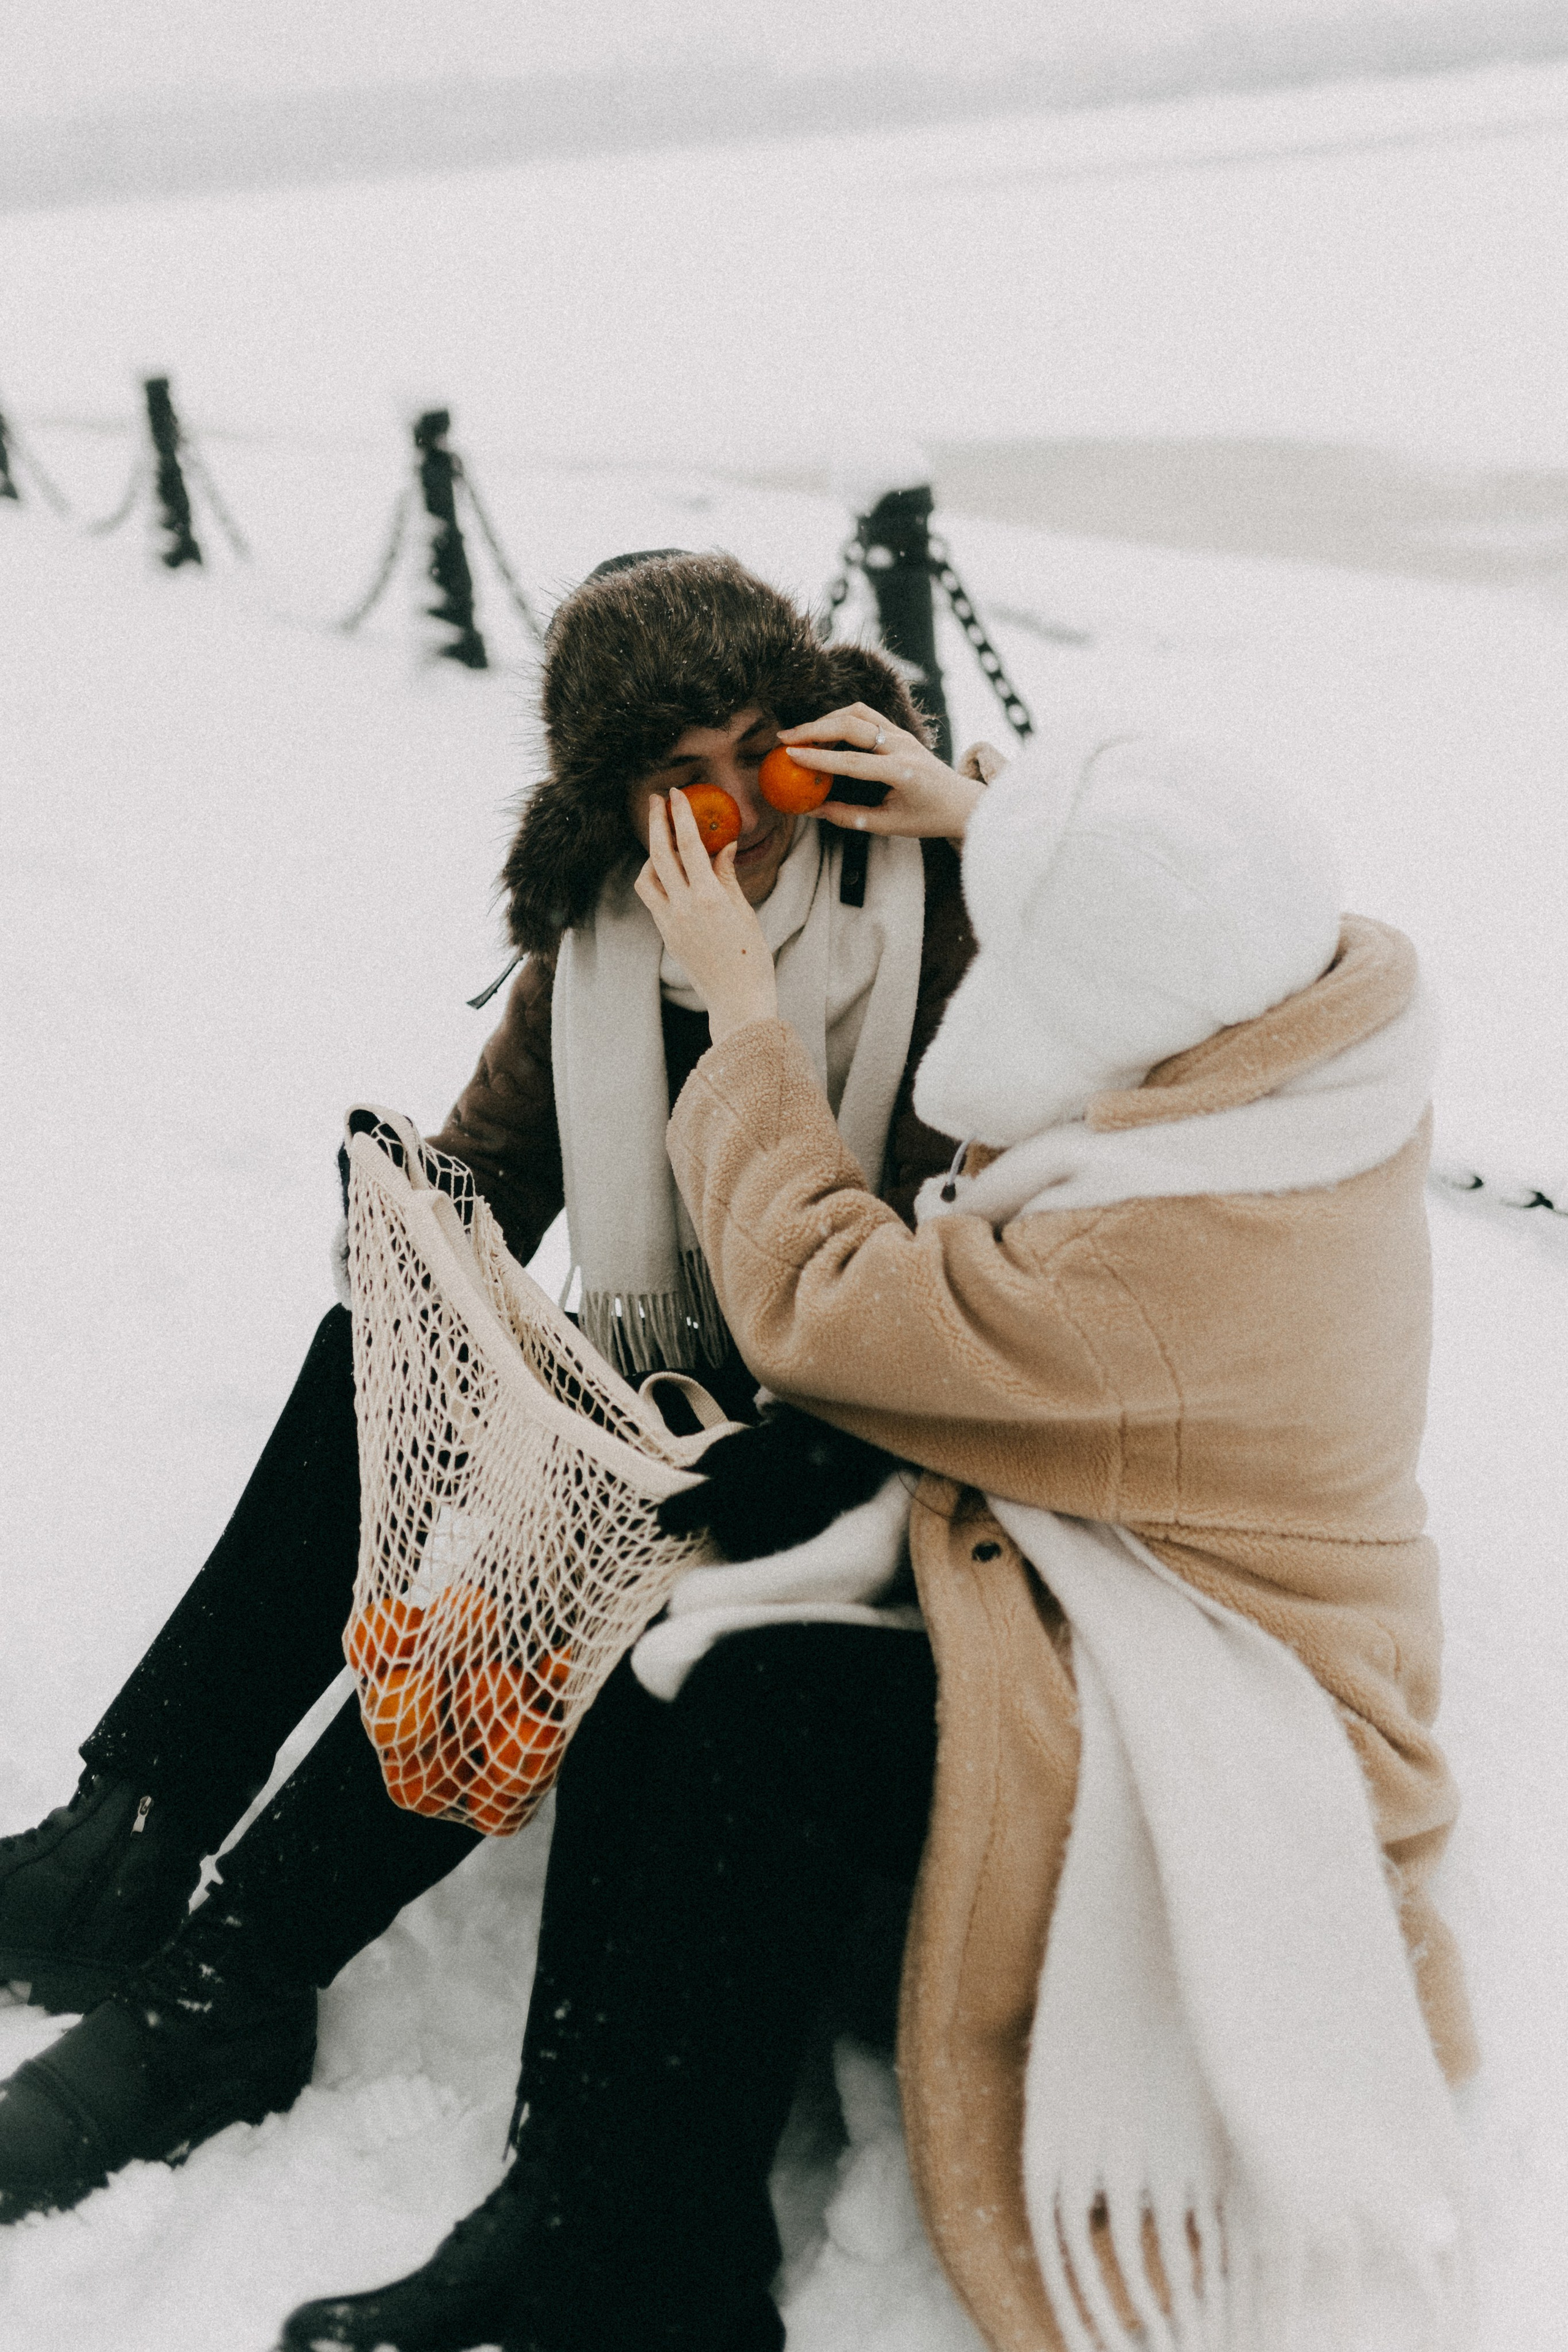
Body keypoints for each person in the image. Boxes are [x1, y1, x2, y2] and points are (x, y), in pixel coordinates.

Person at [281, 710, 1477, 2352]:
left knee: (759, 1708)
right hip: (1123, 1553)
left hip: (1225, 1691)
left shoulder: (1152, 1266)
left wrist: (749, 1015)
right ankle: (585, 2201)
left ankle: (638, 2260)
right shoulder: (1320, 1029)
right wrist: (1001, 829)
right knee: (686, 1607)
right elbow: (1162, 937)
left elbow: (821, 1307)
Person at [0, 550, 985, 2241]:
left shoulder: (919, 898)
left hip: (866, 1416)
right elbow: (493, 1168)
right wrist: (419, 1259)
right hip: (667, 1400)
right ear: (613, 797)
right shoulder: (604, 931)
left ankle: (229, 1984)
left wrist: (968, 820)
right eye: (682, 771)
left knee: (570, 1536)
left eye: (765, 741)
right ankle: (131, 1833)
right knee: (377, 1358)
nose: (739, 801)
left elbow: (913, 1270)